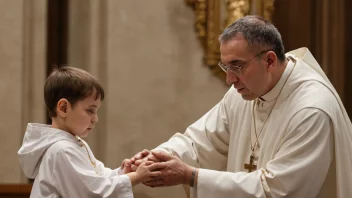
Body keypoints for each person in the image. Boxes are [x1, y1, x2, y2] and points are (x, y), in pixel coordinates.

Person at [125, 15, 352, 197]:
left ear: (270, 60)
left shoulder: (312, 110)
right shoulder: (243, 93)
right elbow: (199, 141)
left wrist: (191, 176)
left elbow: (277, 191)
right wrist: (159, 157)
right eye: (226, 67)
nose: (230, 79)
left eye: (237, 66)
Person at [18, 66, 161, 198]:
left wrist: (124, 171)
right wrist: (137, 177)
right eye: (90, 110)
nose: (95, 119)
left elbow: (98, 176)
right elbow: (91, 192)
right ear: (63, 108)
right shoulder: (61, 150)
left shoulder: (75, 144)